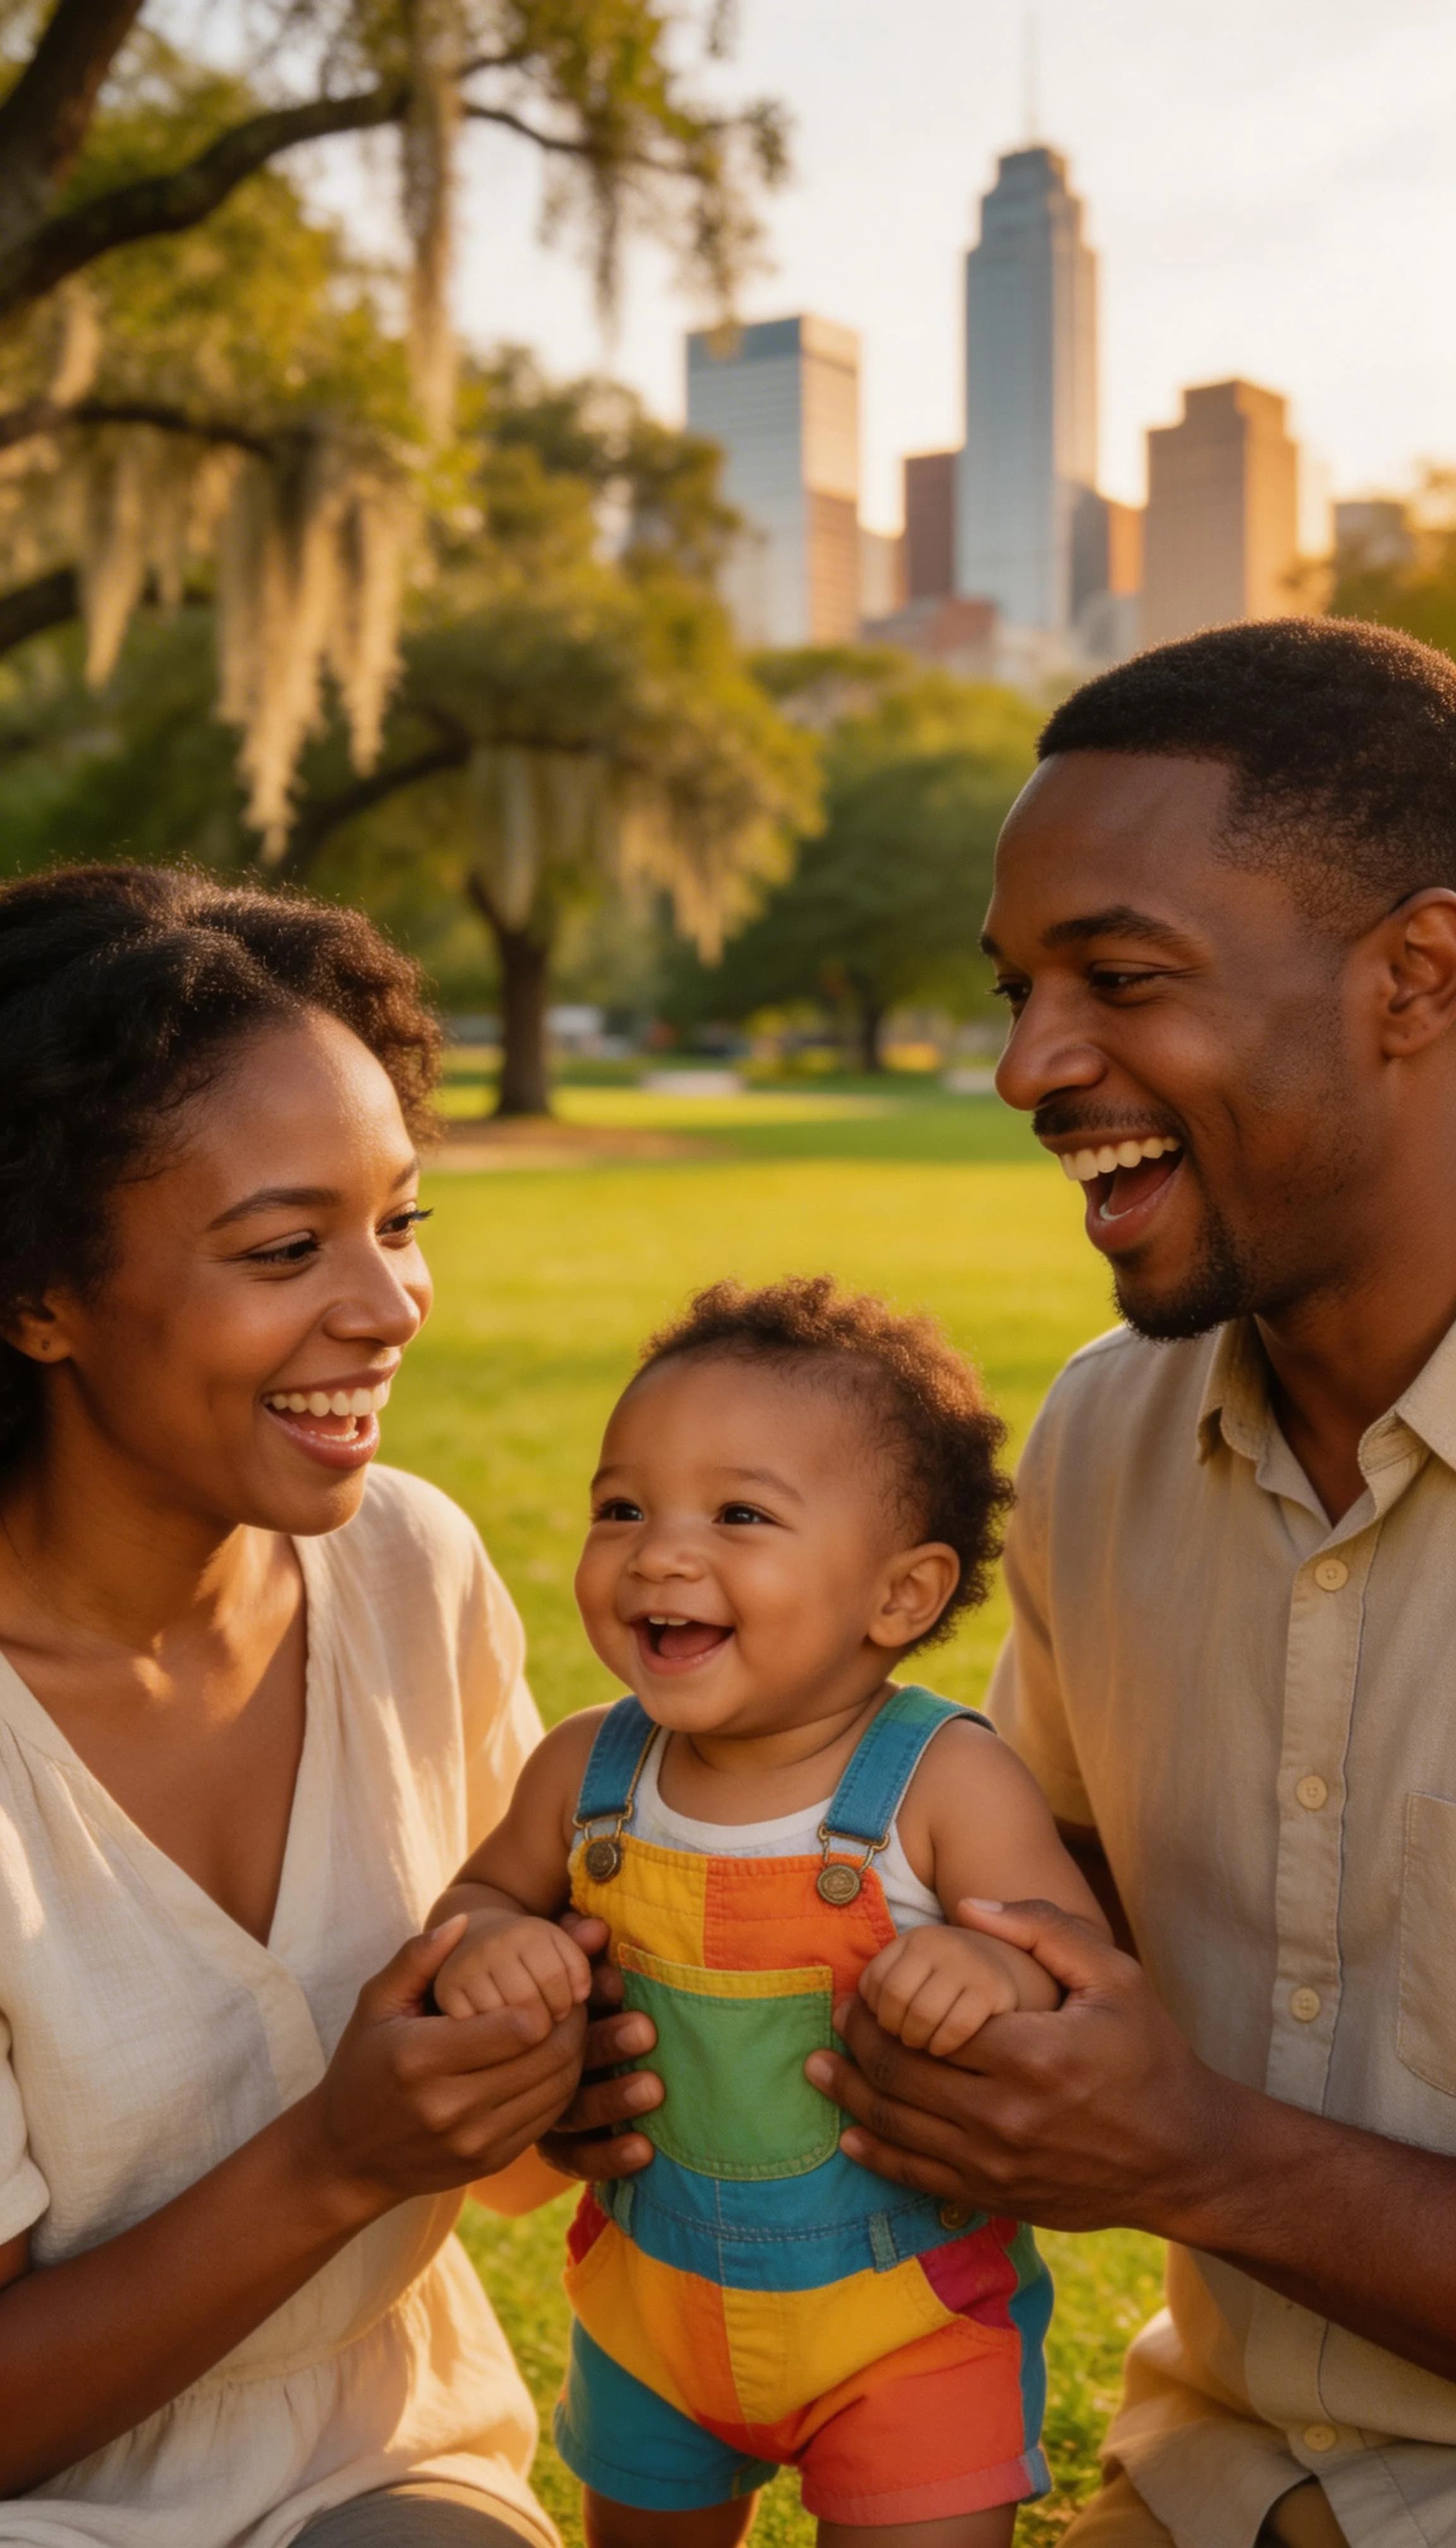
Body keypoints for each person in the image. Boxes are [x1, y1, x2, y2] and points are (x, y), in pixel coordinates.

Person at [803, 618, 1456, 2548]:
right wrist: (679, 2004)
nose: (1030, 1065)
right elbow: (1041, 1920)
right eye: (1020, 990)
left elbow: (1171, 2134)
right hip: (1207, 2486)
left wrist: (1208, 2160)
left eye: (1123, 978)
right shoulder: (1106, 1433)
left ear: (1417, 976)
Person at [0, 865, 650, 2548]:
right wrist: (340, 2158)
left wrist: (567, 2069)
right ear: (38, 1300)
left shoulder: (407, 1568)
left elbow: (512, 2166)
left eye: (401, 1222)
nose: (386, 1307)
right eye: (288, 1249)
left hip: (376, 2461)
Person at [431, 1275, 1107, 2548]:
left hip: (909, 2324)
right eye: (621, 1509)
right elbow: (474, 1898)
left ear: (901, 1597)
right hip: (653, 2315)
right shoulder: (587, 1768)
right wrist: (495, 1938)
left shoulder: (942, 1780)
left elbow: (1078, 1976)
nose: (659, 1553)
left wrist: (995, 1975)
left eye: (739, 1514)